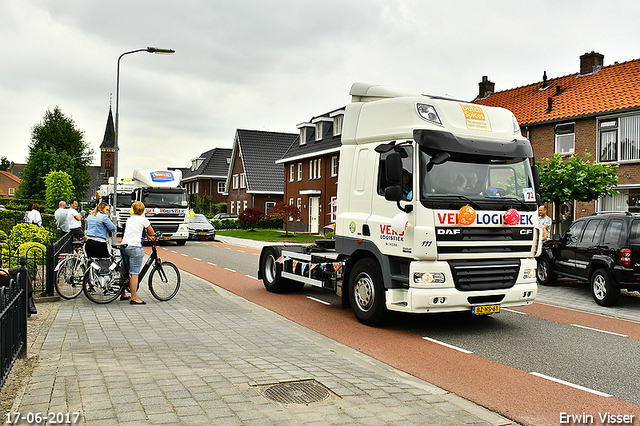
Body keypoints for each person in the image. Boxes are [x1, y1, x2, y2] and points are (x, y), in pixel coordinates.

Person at [121, 201, 155, 305]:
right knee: (134, 274)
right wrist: (150, 235)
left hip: (124, 246)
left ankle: (123, 294)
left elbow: (135, 229)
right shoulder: (144, 220)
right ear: (142, 211)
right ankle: (134, 298)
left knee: (124, 271)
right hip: (135, 247)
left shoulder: (129, 219)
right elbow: (152, 232)